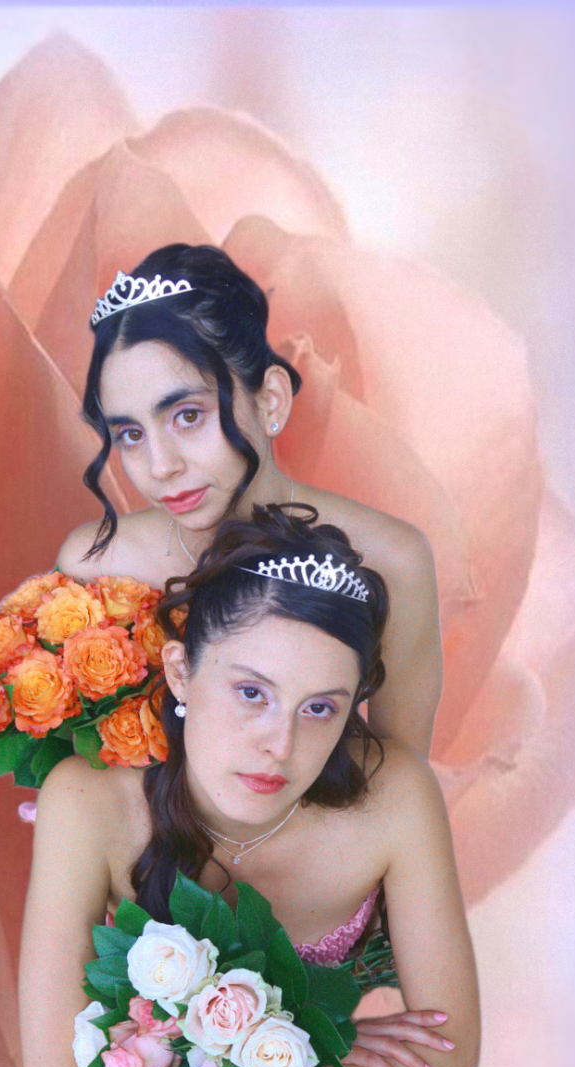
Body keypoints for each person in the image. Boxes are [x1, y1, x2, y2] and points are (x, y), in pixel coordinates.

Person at [21, 506, 479, 1067]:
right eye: (251, 692)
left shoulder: (393, 799)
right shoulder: (90, 803)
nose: (280, 744)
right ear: (180, 669)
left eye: (321, 708)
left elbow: (449, 1051)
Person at [58, 245, 443, 756]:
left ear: (271, 399)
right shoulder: (100, 566)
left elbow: (403, 786)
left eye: (188, 416)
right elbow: (76, 777)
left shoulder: (392, 562)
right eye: (129, 433)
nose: (160, 466)